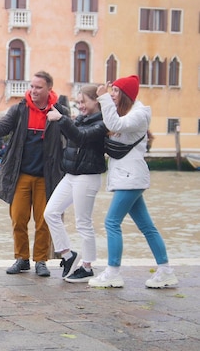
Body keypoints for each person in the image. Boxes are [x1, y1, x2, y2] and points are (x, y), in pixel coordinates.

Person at [90, 75, 178, 288]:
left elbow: (114, 123)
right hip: (127, 177)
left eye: (116, 91)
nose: (112, 94)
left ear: (126, 95)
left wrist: (103, 100)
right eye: (112, 91)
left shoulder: (139, 114)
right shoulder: (127, 112)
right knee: (147, 226)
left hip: (131, 177)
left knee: (111, 222)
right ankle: (165, 270)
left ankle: (113, 272)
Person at [0, 71, 65, 277]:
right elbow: (1, 129)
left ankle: (41, 261)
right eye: (32, 86)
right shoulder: (20, 109)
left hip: (47, 177)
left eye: (38, 87)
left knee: (43, 220)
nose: (33, 90)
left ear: (49, 89)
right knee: (18, 217)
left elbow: (71, 135)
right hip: (20, 174)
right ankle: (21, 258)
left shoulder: (60, 111)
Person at [44, 85, 108, 283]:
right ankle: (67, 254)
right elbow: (73, 133)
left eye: (83, 102)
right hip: (71, 175)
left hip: (88, 177)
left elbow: (81, 138)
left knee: (83, 222)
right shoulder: (80, 119)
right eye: (78, 102)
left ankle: (87, 266)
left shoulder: (103, 124)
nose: (80, 106)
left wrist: (61, 119)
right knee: (51, 212)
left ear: (95, 101)